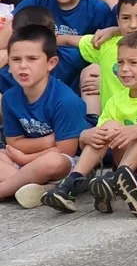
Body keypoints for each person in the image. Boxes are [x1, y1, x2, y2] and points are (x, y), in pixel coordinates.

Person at [42, 30, 137, 217]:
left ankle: (117, 181)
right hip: (125, 160)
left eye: (133, 63)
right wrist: (87, 136)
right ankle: (70, 185)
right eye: (120, 62)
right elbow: (99, 140)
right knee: (109, 126)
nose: (123, 69)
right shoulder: (116, 100)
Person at [0, 25, 88, 206]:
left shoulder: (65, 100)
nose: (22, 65)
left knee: (52, 161)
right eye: (16, 59)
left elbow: (65, 150)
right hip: (23, 159)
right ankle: (37, 188)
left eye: (32, 59)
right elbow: (13, 142)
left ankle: (6, 189)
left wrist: (24, 158)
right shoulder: (9, 98)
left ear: (51, 63)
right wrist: (49, 140)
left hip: (65, 163)